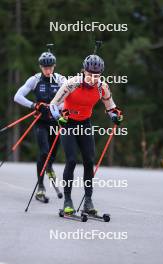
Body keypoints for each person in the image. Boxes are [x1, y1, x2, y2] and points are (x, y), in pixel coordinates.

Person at [49, 54, 123, 214]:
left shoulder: (102, 87)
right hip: (68, 123)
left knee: (89, 161)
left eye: (96, 76)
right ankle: (67, 200)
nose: (92, 78)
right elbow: (53, 105)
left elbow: (111, 107)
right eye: (90, 75)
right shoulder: (72, 84)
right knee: (71, 160)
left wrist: (115, 116)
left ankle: (88, 201)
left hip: (85, 124)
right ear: (84, 71)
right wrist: (58, 118)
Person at [14, 50, 67, 202]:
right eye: (45, 68)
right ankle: (41, 187)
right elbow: (17, 96)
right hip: (41, 123)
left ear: (54, 66)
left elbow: (70, 98)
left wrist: (56, 107)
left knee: (51, 155)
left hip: (56, 123)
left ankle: (49, 167)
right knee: (44, 152)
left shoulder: (61, 80)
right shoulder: (35, 80)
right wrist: (34, 105)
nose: (48, 70)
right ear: (40, 67)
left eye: (50, 67)